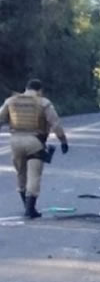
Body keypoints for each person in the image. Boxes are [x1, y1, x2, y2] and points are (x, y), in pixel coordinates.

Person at [0, 79, 69, 218]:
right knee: (34, 175)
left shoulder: (10, 101)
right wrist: (63, 141)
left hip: (15, 141)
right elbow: (55, 124)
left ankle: (25, 205)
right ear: (39, 90)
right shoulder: (43, 103)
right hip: (35, 141)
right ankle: (30, 209)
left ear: (26, 88)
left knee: (21, 173)